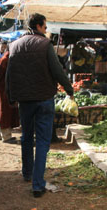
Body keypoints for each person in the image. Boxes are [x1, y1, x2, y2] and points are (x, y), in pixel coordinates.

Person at [7, 13, 74, 197]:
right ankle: (37, 185)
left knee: (26, 137)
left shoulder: (14, 45)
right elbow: (57, 70)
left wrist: (11, 96)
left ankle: (27, 172)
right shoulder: (45, 45)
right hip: (44, 98)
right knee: (43, 142)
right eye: (44, 26)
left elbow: (9, 74)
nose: (46, 30)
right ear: (38, 26)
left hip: (25, 100)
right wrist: (69, 89)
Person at [0, 50, 19, 144]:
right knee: (4, 113)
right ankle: (6, 136)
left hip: (8, 90)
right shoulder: (5, 60)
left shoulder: (10, 59)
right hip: (3, 91)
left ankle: (2, 134)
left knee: (6, 112)